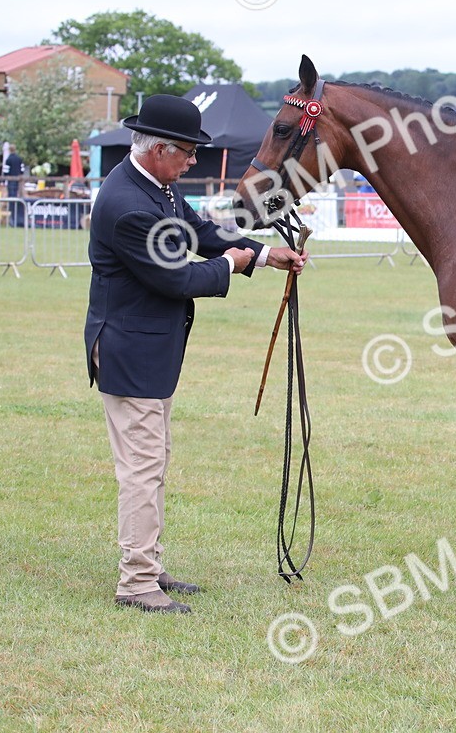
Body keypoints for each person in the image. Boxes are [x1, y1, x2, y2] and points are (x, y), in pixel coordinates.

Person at [84, 94, 307, 615]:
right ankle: (136, 583)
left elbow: (200, 233)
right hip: (129, 351)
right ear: (159, 148)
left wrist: (262, 254)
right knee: (142, 468)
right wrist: (231, 264)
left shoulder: (156, 186)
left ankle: (148, 565)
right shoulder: (127, 206)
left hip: (149, 351)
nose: (192, 162)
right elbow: (179, 277)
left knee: (153, 462)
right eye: (187, 153)